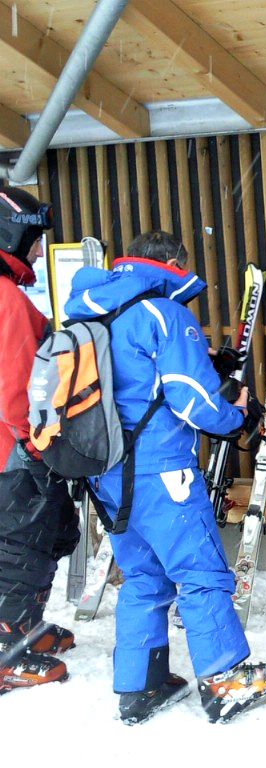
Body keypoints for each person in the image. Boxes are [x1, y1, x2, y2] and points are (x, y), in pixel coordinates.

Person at [63, 231, 266, 724]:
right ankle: (223, 678)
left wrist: (206, 363)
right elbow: (195, 402)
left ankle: (140, 686)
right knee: (200, 571)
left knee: (144, 576)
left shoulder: (93, 310)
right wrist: (241, 417)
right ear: (171, 264)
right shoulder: (164, 313)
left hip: (105, 472)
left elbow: (132, 381)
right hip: (161, 470)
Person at [0, 187, 79, 693]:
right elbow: (15, 384)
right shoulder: (6, 298)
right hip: (15, 446)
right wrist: (33, 442)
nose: (37, 250)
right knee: (22, 544)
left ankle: (24, 627)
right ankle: (7, 651)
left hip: (15, 444)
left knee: (52, 532)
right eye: (34, 238)